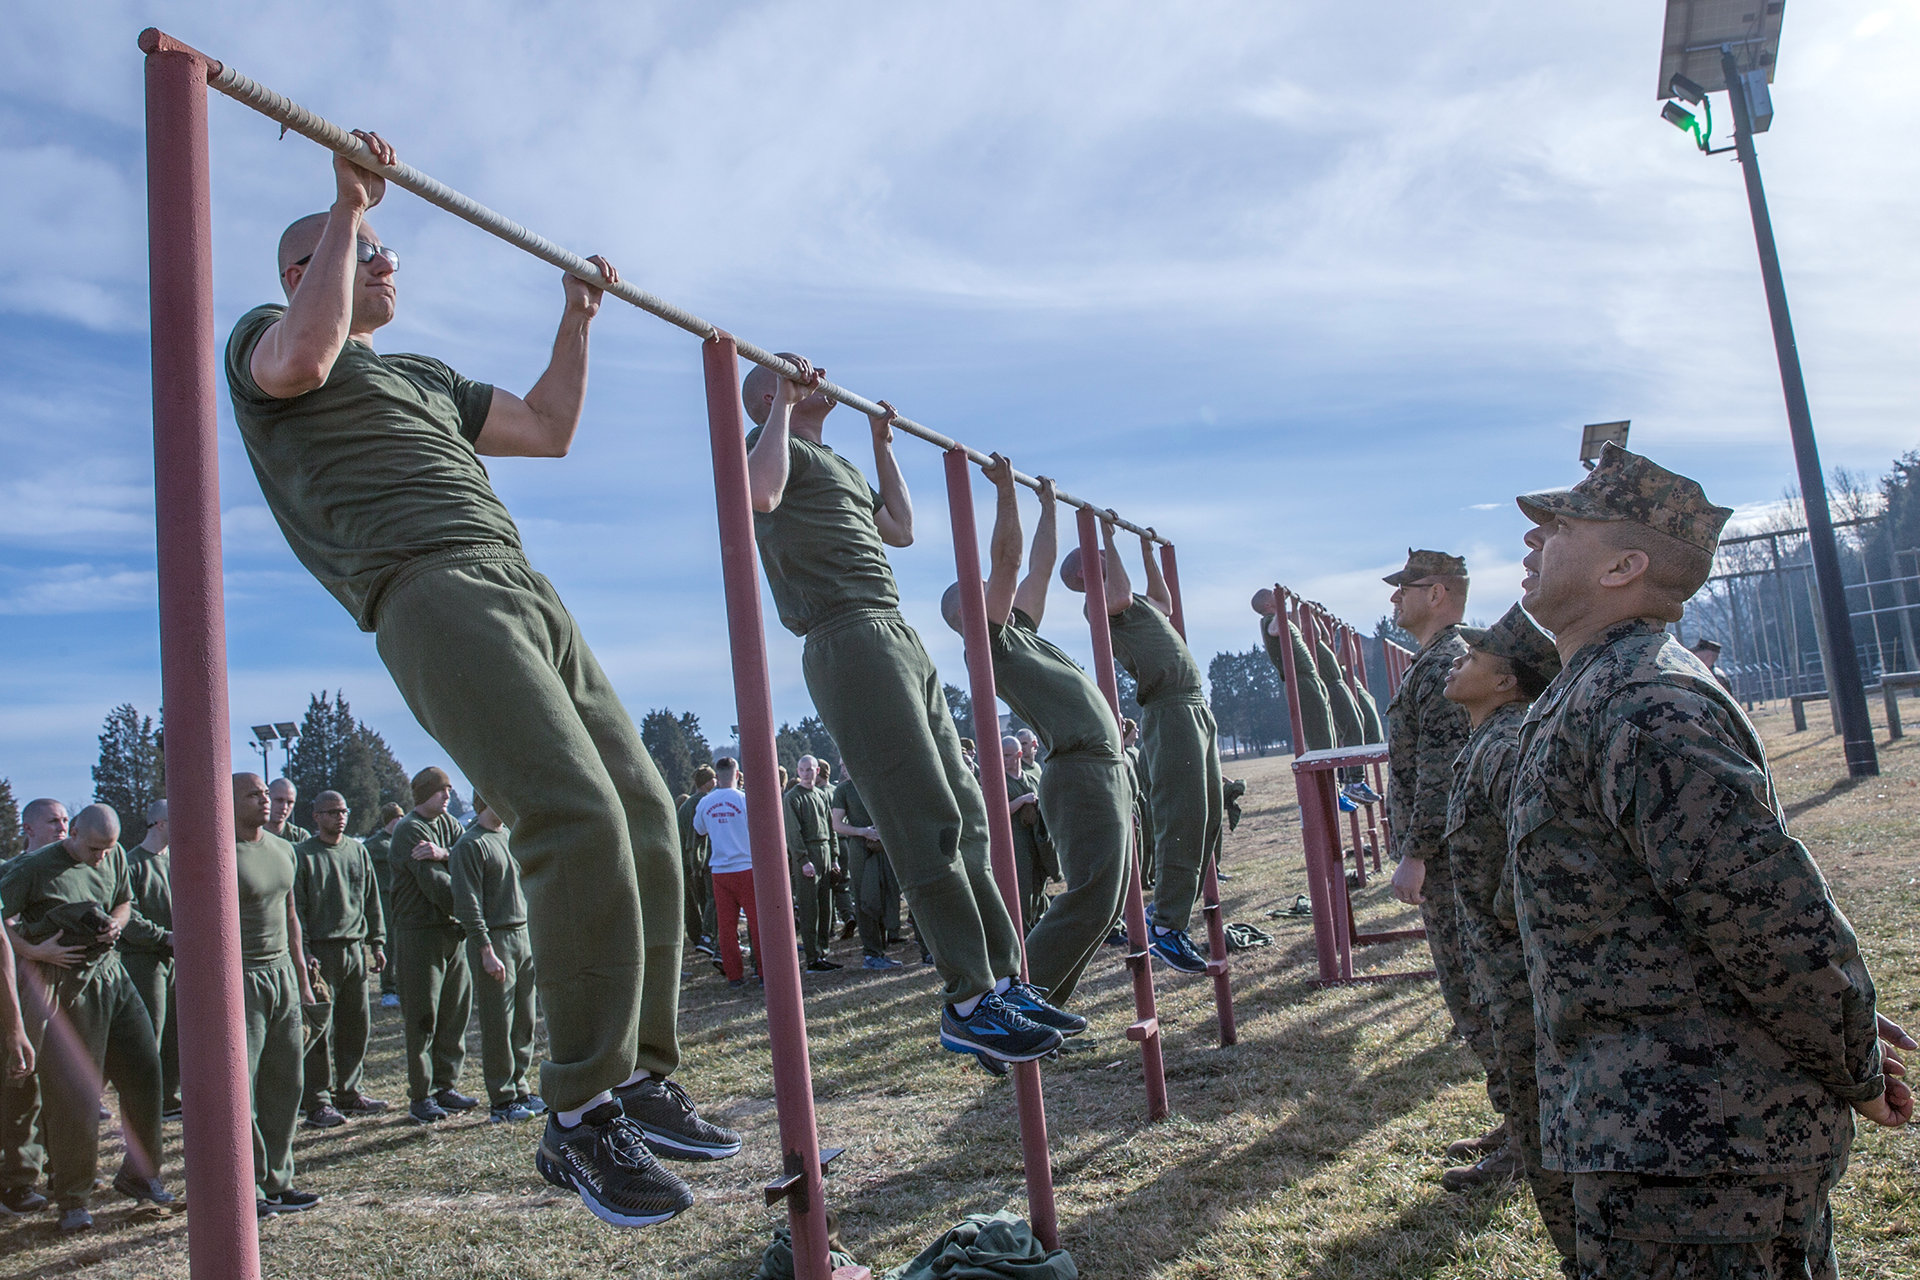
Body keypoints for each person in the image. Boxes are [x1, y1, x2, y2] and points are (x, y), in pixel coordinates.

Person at [226, 130, 731, 1227]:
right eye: (362, 253)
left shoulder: (422, 377)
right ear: (300, 272)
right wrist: (344, 206)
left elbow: (549, 428)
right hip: (426, 586)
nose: (385, 261)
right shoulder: (266, 339)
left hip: (520, 579)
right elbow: (300, 365)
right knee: (573, 813)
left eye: (382, 248)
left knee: (646, 811)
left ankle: (637, 1073)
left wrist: (575, 316)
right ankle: (577, 1113)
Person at [1512, 442, 1915, 1274]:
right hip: (1653, 1139)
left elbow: (1773, 919)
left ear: (1625, 565)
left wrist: (1851, 1059)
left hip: (1707, 1154)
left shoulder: (1645, 703)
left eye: (1561, 524)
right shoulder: (1594, 690)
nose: (1533, 539)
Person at [742, 354, 1073, 1064]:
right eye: (796, 378)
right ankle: (965, 998)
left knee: (966, 808)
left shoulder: (832, 463)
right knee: (922, 815)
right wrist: (777, 405)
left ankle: (1001, 977)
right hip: (845, 634)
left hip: (893, 626)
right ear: (771, 392)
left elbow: (900, 528)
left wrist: (884, 447)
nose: (818, 378)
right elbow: (759, 496)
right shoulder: (768, 448)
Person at [945, 457, 1127, 1009]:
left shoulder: (1018, 629)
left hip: (1101, 765)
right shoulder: (990, 639)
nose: (996, 587)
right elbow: (1009, 559)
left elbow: (1039, 568)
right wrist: (1005, 494)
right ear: (970, 610)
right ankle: (1021, 1007)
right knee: (1090, 900)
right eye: (982, 589)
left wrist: (1047, 506)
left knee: (1108, 903)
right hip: (1077, 770)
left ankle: (1043, 1012)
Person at [1435, 605, 1571, 1268]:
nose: (1461, 656)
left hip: (1525, 971)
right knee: (1528, 1096)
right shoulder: (1487, 741)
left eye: (1478, 653)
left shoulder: (1510, 744)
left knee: (1545, 1108)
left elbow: (1533, 867)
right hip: (1505, 967)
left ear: (1506, 683)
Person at [0, 804, 174, 1230]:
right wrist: (34, 951)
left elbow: (124, 901)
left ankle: (140, 1175)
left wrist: (116, 923)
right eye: (94, 848)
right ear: (73, 833)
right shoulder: (34, 868)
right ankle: (73, 1199)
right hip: (64, 984)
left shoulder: (113, 856)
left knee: (145, 1073)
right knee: (74, 1095)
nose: (101, 857)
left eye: (108, 849)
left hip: (113, 976)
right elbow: (2, 919)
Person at [1381, 548, 1501, 1160]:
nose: (1394, 599)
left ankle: (1524, 1134)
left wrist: (1417, 852)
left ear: (1438, 594)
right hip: (1449, 854)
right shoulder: (1431, 662)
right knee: (1471, 990)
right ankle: (1518, 1122)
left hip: (1454, 858)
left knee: (1479, 990)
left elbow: (1442, 771)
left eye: (1405, 588)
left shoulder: (1446, 664)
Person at [1060, 517, 1220, 975]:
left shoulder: (1131, 606)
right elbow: (1123, 593)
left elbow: (1163, 601)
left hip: (1193, 705)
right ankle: (1167, 927)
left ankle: (1173, 920)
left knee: (1206, 816)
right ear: (1089, 576)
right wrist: (1108, 537)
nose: (1115, 567)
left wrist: (1147, 551)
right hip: (1168, 710)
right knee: (1183, 814)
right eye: (1106, 564)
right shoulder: (1102, 605)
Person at [230, 775, 324, 1216]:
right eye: (253, 794)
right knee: (241, 1087)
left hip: (282, 972)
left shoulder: (283, 848)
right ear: (228, 801)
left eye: (266, 793)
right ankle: (247, 1186)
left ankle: (278, 1181)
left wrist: (302, 979)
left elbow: (290, 914)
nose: (265, 800)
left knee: (287, 1081)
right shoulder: (219, 851)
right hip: (241, 977)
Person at [293, 790, 390, 1128]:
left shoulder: (357, 851)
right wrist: (303, 951)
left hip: (354, 949)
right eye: (331, 812)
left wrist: (377, 942)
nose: (340, 817)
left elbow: (371, 900)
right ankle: (318, 1100)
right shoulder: (302, 855)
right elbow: (297, 910)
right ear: (316, 816)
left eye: (343, 810)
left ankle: (349, 1092)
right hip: (320, 951)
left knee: (356, 1025)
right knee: (319, 1027)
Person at [387, 768, 477, 1125]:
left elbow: (468, 855)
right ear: (424, 793)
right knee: (423, 1016)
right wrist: (474, 908)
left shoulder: (449, 825)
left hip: (450, 930)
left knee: (454, 1013)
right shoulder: (410, 828)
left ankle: (446, 1085)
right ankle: (421, 1095)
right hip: (420, 933)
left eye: (449, 789)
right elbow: (437, 886)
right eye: (441, 790)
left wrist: (443, 853)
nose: (447, 795)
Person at [451, 797, 542, 1123]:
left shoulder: (508, 837)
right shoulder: (470, 845)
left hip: (522, 936)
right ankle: (502, 1099)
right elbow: (468, 904)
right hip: (496, 938)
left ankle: (521, 1086)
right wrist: (485, 949)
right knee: (498, 1023)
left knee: (524, 1019)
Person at [0, 796, 70, 1217]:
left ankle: (53, 1167)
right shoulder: (12, 872)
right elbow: (5, 936)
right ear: (28, 828)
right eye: (52, 821)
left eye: (66, 820)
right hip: (19, 990)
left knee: (55, 1083)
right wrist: (36, 952)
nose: (61, 828)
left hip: (61, 991)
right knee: (20, 1086)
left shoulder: (75, 866)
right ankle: (19, 1178)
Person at [121, 800, 181, 1120]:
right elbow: (128, 918)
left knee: (176, 1031)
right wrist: (165, 937)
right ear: (159, 824)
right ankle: (145, 1104)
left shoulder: (177, 863)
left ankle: (168, 1098)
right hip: (144, 962)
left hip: (175, 961)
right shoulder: (131, 864)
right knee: (151, 1033)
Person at [694, 761, 760, 988]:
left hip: (720, 870)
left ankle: (734, 976)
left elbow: (699, 829)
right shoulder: (743, 800)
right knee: (756, 923)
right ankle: (762, 971)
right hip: (746, 867)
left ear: (716, 777)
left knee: (726, 927)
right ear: (738, 774)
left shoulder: (706, 802)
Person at [829, 771, 899, 970]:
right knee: (865, 899)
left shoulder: (876, 782)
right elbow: (837, 825)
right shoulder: (843, 790)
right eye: (841, 765)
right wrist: (862, 832)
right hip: (861, 850)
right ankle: (871, 953)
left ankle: (881, 950)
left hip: (883, 848)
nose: (844, 769)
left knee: (886, 895)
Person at [783, 756, 839, 973]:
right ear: (797, 771)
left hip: (825, 851)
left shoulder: (821, 795)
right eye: (803, 770)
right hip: (808, 853)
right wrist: (803, 859)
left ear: (817, 771)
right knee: (809, 908)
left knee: (826, 905)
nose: (806, 774)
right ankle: (812, 957)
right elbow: (793, 833)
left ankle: (823, 951)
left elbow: (831, 827)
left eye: (810, 770)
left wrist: (834, 857)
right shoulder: (792, 798)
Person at [998, 736, 1048, 930]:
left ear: (1019, 755)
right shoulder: (998, 782)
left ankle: (1037, 924)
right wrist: (1021, 801)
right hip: (1014, 843)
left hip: (1035, 840)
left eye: (1008, 755)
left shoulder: (1032, 780)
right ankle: (1023, 931)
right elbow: (996, 811)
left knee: (1039, 884)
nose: (1004, 760)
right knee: (1022, 887)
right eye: (1001, 755)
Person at [365, 801, 405, 1007]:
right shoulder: (376, 844)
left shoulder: (402, 840)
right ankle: (388, 989)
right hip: (385, 900)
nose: (401, 820)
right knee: (388, 945)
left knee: (403, 945)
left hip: (403, 899)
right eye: (397, 817)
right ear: (390, 819)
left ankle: (401, 986)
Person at [677, 767, 717, 957]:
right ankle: (710, 939)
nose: (716, 781)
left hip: (689, 863)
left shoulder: (685, 805)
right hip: (700, 863)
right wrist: (698, 864)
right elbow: (696, 838)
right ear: (707, 782)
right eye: (713, 778)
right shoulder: (703, 803)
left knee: (696, 903)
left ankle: (700, 937)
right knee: (710, 900)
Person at [265, 778, 310, 846]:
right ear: (267, 799)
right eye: (279, 800)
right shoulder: (251, 834)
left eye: (290, 802)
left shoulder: (300, 837)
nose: (284, 807)